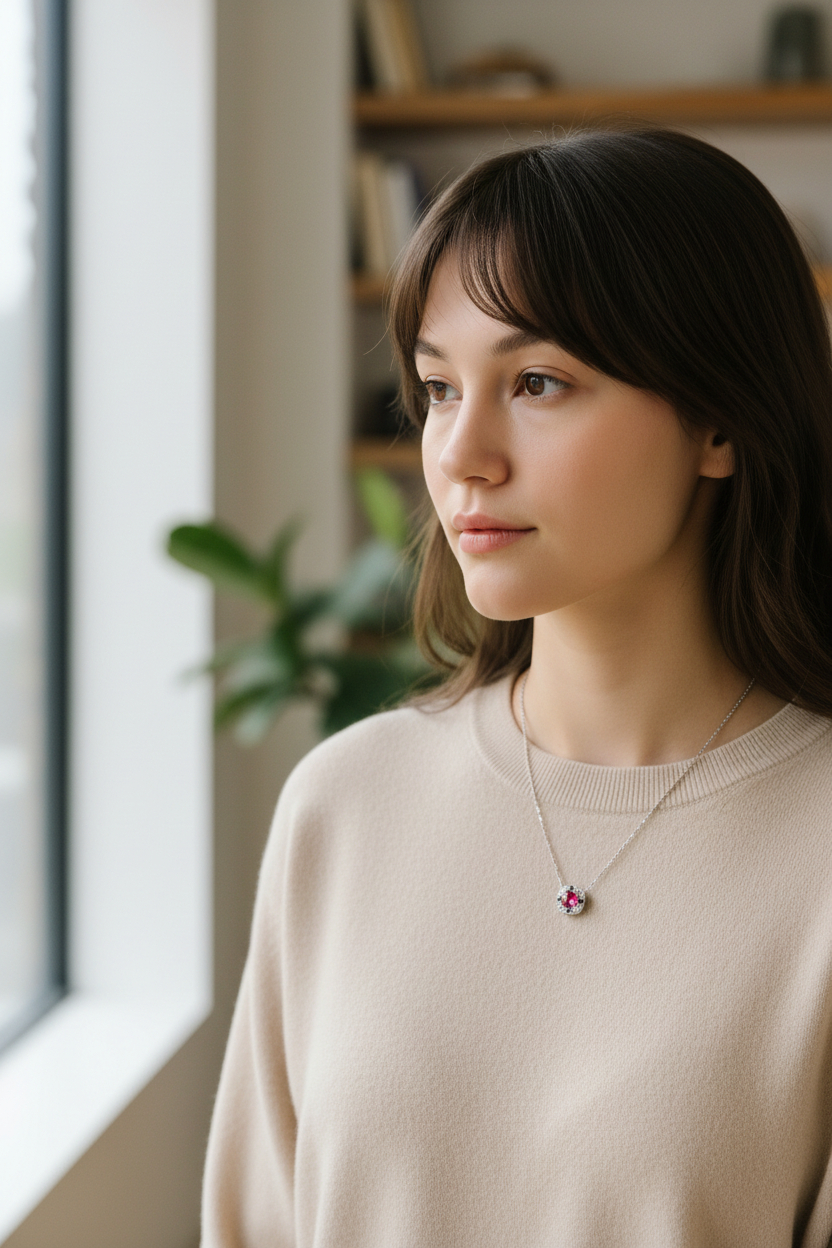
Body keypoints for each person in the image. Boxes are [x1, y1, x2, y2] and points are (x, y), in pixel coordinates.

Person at [201, 127, 832, 1247]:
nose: (460, 454)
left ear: (721, 421)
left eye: (537, 382)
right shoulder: (343, 805)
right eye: (440, 388)